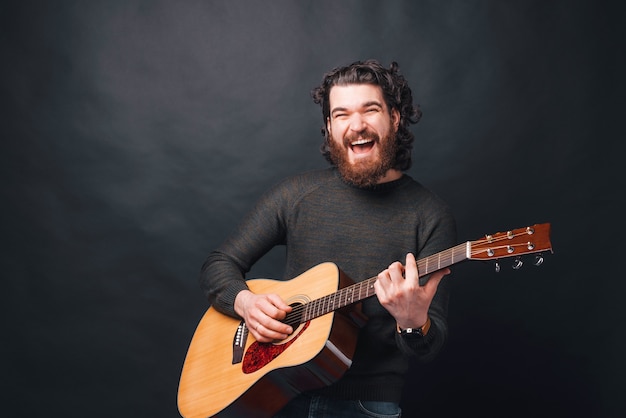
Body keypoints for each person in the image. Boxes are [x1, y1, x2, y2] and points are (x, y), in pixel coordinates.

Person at [200, 59, 457, 417]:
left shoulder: (430, 216)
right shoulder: (295, 195)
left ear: (395, 118)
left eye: (371, 110)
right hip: (279, 394)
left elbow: (428, 347)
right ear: (329, 127)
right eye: (341, 114)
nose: (357, 126)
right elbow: (219, 265)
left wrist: (413, 322)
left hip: (366, 406)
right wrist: (244, 303)